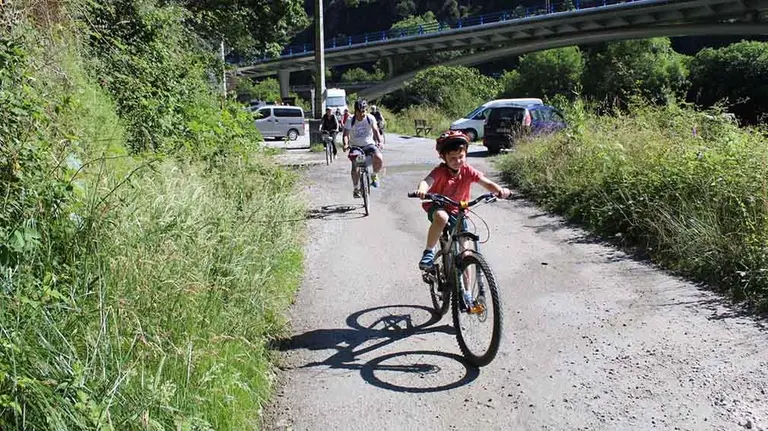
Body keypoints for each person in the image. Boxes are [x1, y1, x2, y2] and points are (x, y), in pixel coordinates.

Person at [415, 130, 510, 271]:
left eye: (461, 157)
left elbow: (486, 183)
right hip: (439, 206)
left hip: (459, 210)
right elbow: (427, 181)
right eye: (452, 158)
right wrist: (422, 189)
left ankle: (467, 293)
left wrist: (499, 190)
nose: (457, 161)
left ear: (465, 154)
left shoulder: (467, 170)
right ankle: (429, 251)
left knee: (465, 254)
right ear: (443, 157)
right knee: (442, 217)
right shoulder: (440, 171)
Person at [342, 99, 383, 198]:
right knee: (355, 167)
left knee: (379, 157)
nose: (362, 114)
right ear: (355, 111)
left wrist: (380, 142)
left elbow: (375, 130)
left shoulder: (370, 118)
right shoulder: (350, 120)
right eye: (360, 112)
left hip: (369, 145)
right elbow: (346, 135)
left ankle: (374, 176)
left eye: (364, 111)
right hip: (355, 147)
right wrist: (345, 144)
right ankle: (356, 188)